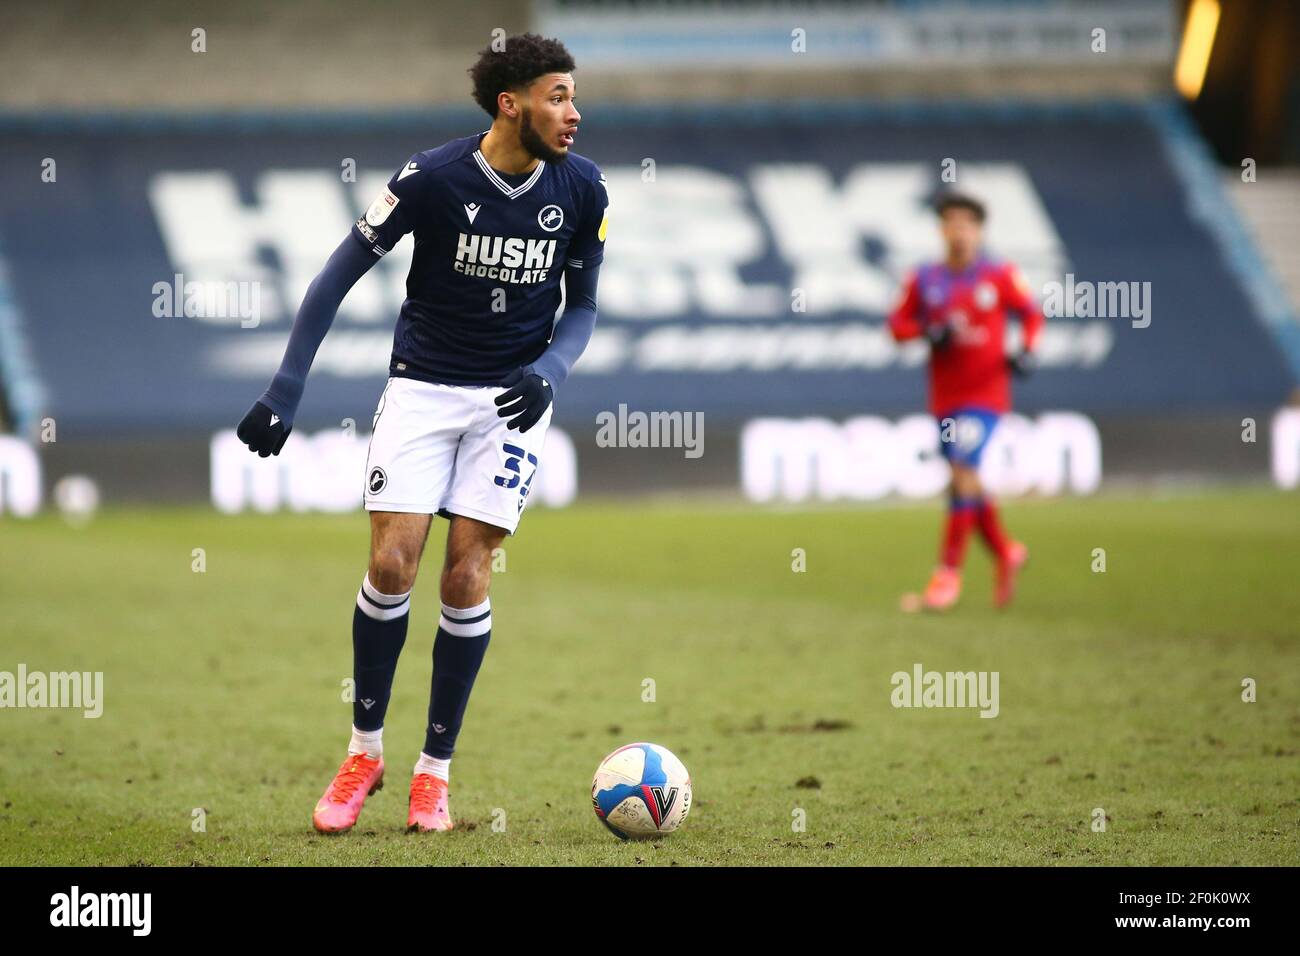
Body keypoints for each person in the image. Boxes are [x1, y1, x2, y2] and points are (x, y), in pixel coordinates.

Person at [235, 33, 608, 832]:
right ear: (511, 104)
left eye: (573, 96)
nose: (574, 113)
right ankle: (364, 751)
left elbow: (583, 308)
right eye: (557, 96)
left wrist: (552, 373)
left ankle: (432, 773)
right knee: (392, 561)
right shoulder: (430, 178)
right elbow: (336, 273)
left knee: (467, 577)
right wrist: (285, 388)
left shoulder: (583, 190)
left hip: (510, 403)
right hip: (423, 392)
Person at [888, 191, 1041, 611]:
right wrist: (924, 332)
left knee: (962, 468)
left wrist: (1027, 349)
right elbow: (896, 325)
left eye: (967, 224)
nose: (959, 232)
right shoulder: (924, 280)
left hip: (987, 395)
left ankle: (947, 576)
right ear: (941, 230)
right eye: (951, 223)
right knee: (964, 480)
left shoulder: (999, 276)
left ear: (978, 231)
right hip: (945, 399)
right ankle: (1006, 552)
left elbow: (1032, 314)